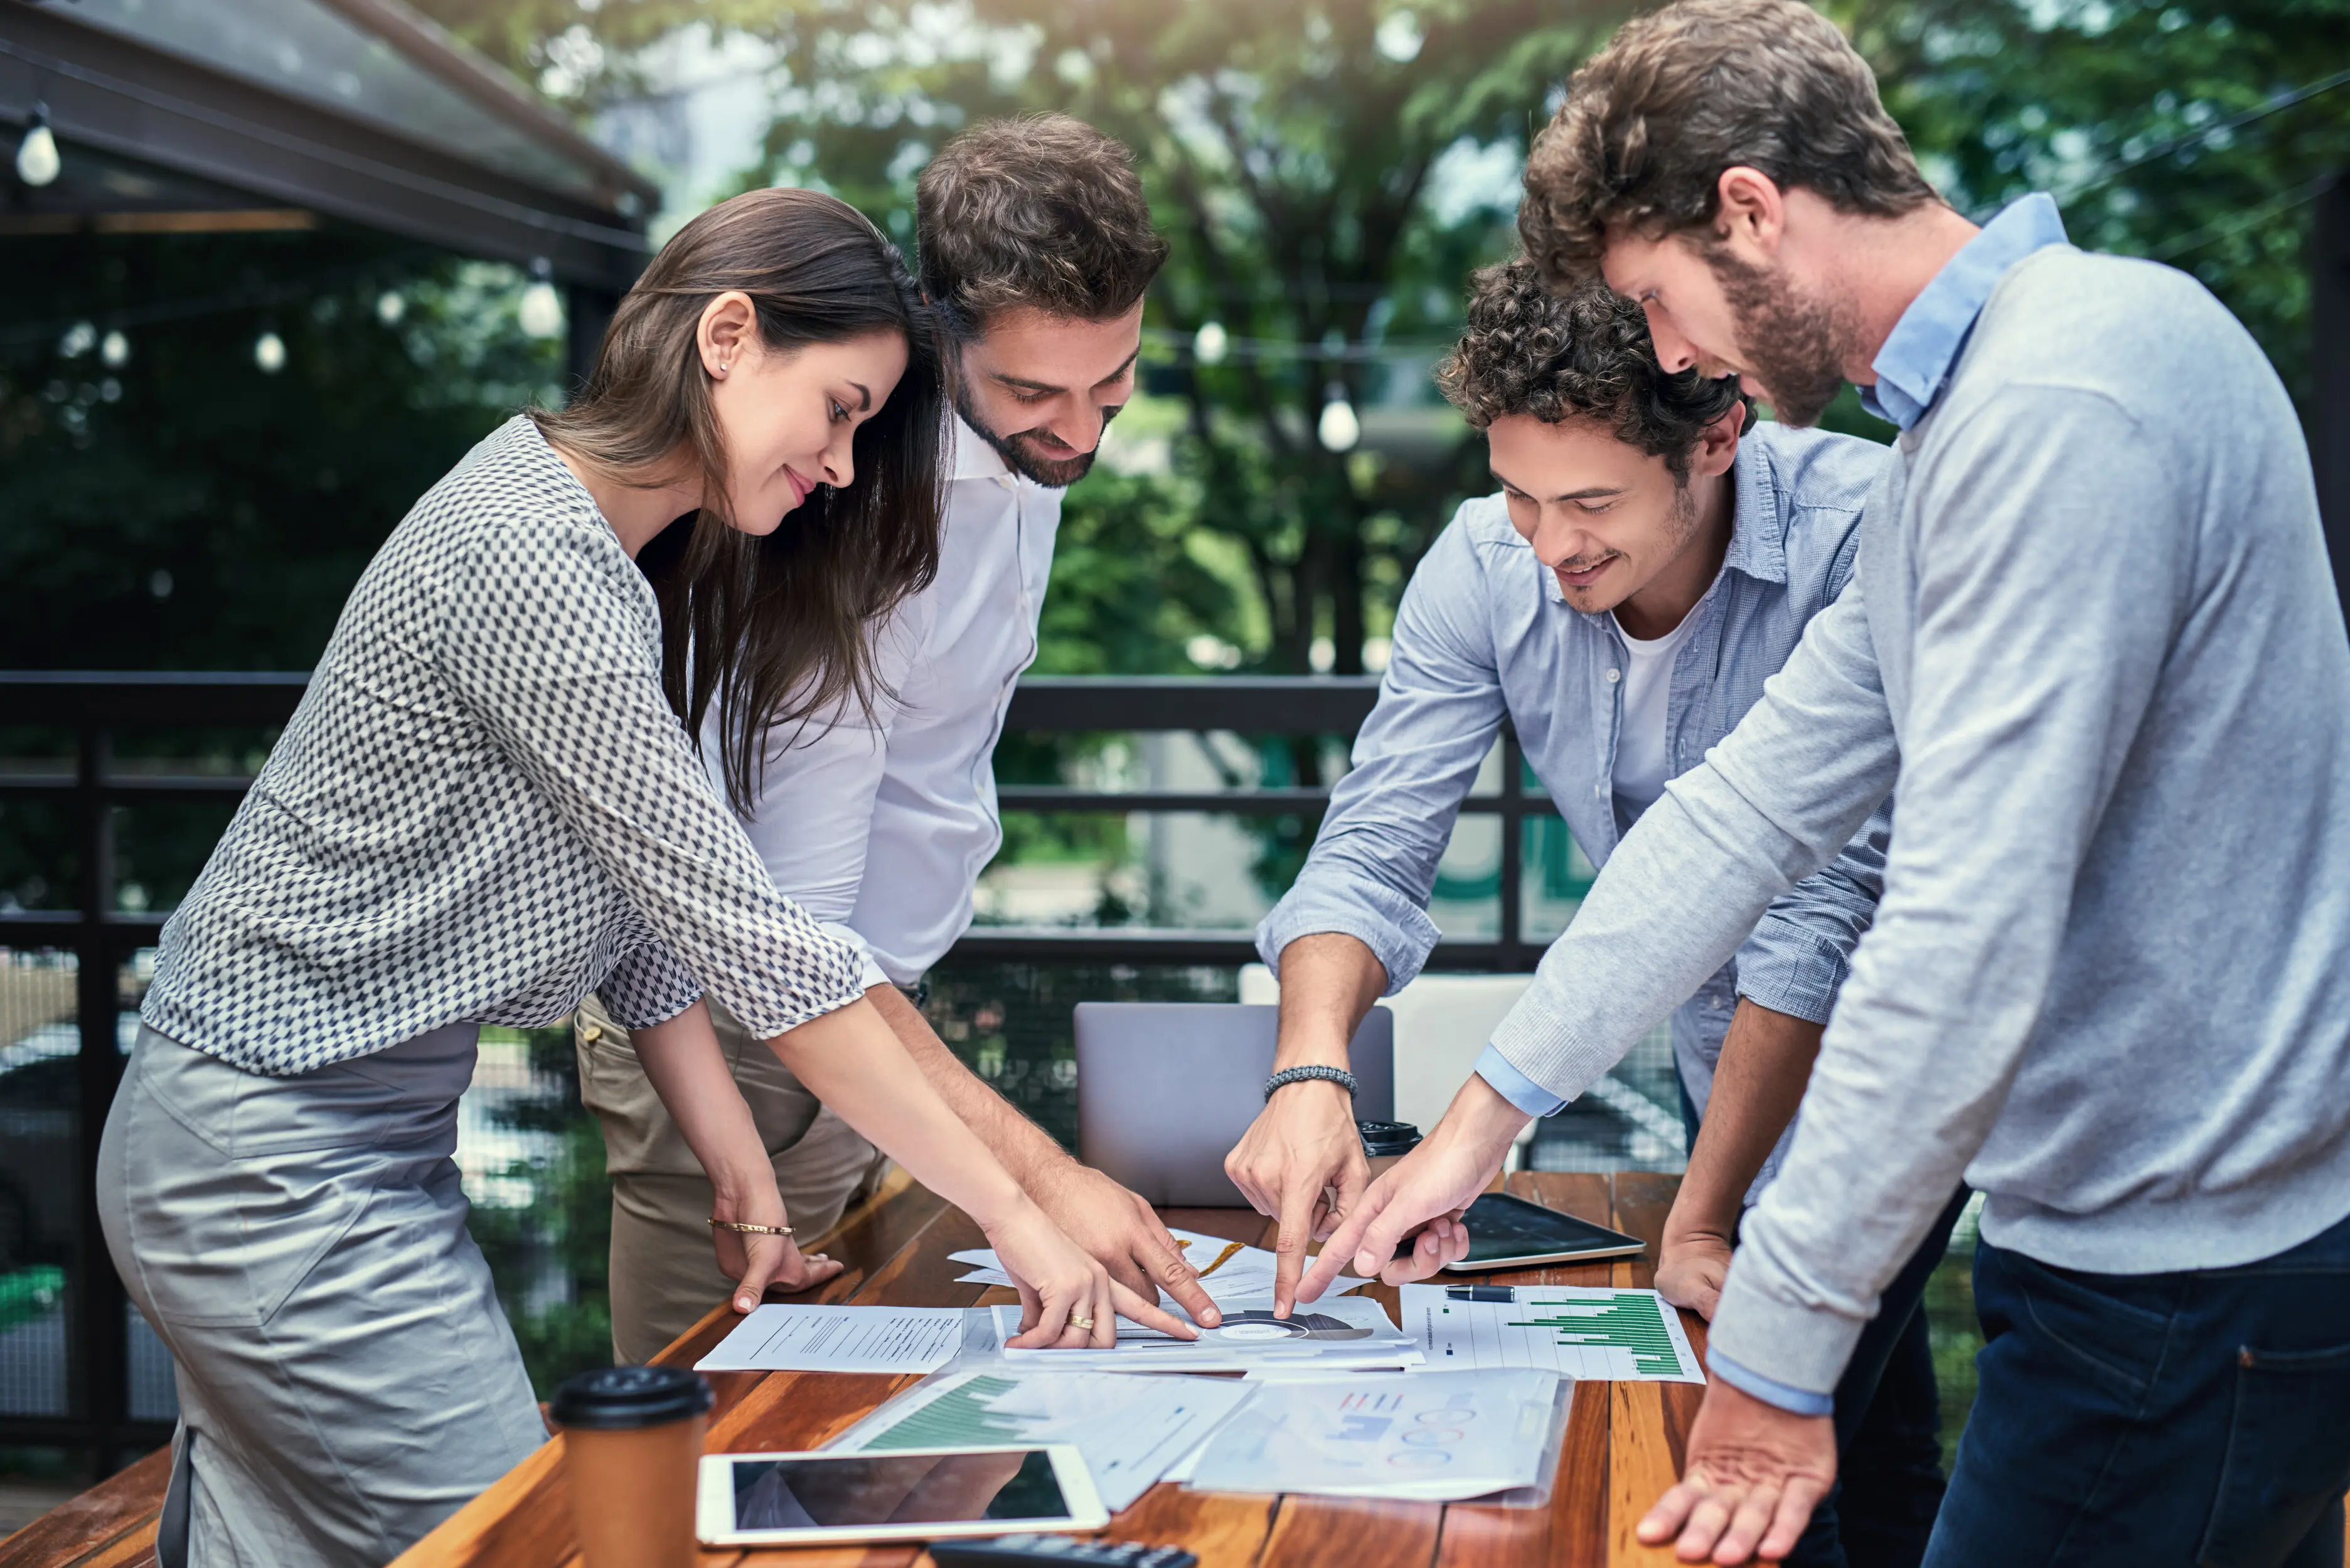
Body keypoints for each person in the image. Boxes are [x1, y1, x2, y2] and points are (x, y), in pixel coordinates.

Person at [1302, 4, 2350, 1564]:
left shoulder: (2057, 406)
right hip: (2113, 1251)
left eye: (1656, 299)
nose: (1664, 351)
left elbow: (1959, 925)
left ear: (1748, 210)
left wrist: (1781, 1339)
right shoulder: (1967, 430)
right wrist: (1484, 1122)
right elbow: (1748, 811)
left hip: (2194, 1276)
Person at [99, 186, 1185, 1568]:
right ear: (727, 336)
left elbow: (653, 919)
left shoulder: (629, 552)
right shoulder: (532, 556)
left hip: (349, 1141)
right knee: (529, 1542)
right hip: (264, 1155)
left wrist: (744, 1171)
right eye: (841, 410)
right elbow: (757, 942)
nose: (846, 467)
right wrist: (1023, 1213)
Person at [1226, 259, 1954, 1567]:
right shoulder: (1482, 568)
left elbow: (1819, 915)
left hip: (1883, 1073)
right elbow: (1376, 845)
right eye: (1519, 492)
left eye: (1593, 500)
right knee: (1873, 1437)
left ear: (1720, 438)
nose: (1552, 542)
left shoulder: (1867, 530)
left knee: (1775, 1466)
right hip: (1712, 1060)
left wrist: (1705, 1208)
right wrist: (1311, 1070)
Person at [573, 114, 1224, 1365]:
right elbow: (803, 938)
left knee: (832, 1428)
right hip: (745, 1023)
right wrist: (1036, 1180)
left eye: (1114, 387)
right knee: (699, 1426)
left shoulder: (1030, 451)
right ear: (942, 327)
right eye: (1036, 393)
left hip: (882, 1024)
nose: (1081, 434)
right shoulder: (850, 504)